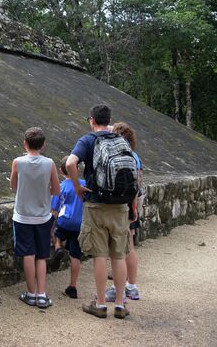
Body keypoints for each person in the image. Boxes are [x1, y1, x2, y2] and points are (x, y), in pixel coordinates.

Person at [66, 104, 134, 319]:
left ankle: (101, 304)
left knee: (99, 256)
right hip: (120, 206)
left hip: (96, 204)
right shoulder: (120, 140)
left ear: (92, 120)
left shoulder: (88, 140)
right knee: (119, 255)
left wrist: (77, 186)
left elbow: (70, 163)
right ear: (109, 120)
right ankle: (121, 304)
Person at [10, 127, 60, 309]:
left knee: (28, 254)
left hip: (22, 217)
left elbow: (13, 185)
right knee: (42, 255)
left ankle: (30, 294)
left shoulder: (18, 162)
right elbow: (56, 190)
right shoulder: (50, 163)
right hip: (42, 217)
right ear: (43, 144)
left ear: (25, 143)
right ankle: (42, 295)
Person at [105, 121, 142, 302]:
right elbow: (137, 184)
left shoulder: (120, 155)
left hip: (123, 205)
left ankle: (117, 290)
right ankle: (131, 287)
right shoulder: (134, 156)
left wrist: (130, 207)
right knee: (129, 247)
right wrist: (134, 207)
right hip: (131, 204)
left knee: (119, 249)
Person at [49, 155, 86, 299]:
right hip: (79, 223)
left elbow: (54, 209)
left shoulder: (62, 186)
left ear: (61, 170)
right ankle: (73, 286)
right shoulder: (84, 184)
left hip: (65, 221)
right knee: (75, 255)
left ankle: (58, 247)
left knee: (56, 233)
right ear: (77, 169)